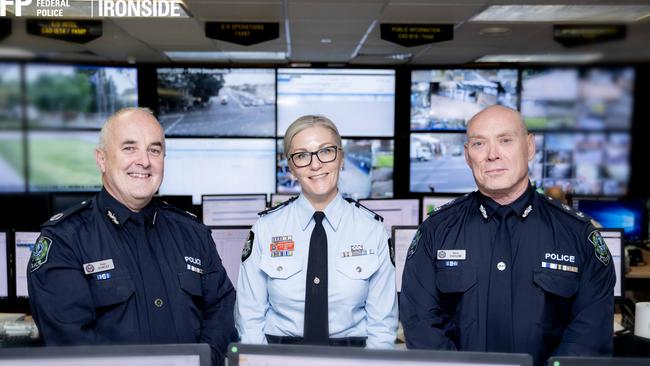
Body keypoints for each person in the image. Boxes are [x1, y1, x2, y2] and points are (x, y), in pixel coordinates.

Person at [400, 105, 616, 365]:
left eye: (505, 140)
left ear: (530, 147)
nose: (492, 155)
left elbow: (589, 335)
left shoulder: (578, 235)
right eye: (479, 144)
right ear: (468, 156)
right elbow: (420, 324)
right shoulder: (435, 232)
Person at [27, 107, 237, 366]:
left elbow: (222, 311)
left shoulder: (192, 233)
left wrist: (206, 362)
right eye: (129, 148)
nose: (145, 161)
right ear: (101, 159)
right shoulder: (65, 241)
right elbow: (71, 344)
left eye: (154, 150)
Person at [235, 115, 397, 348]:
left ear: (341, 157)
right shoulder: (266, 229)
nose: (315, 164)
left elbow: (382, 328)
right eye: (302, 155)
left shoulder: (372, 231)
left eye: (326, 151)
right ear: (291, 167)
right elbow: (249, 321)